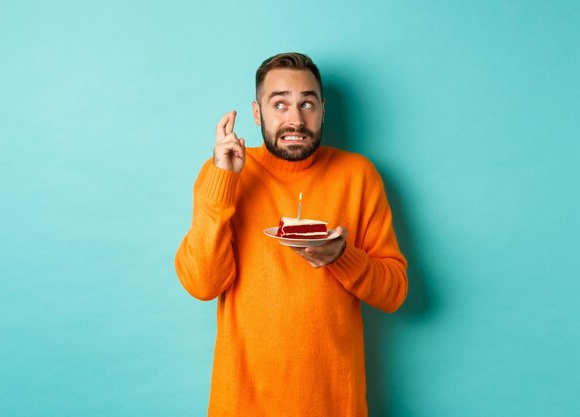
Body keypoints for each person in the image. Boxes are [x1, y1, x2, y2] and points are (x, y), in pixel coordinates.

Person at [174, 52, 408, 416]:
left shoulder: (358, 176)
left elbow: (394, 292)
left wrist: (341, 257)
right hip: (242, 403)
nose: (295, 119)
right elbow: (203, 284)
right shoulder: (225, 173)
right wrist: (224, 180)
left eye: (307, 104)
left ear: (323, 110)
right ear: (257, 113)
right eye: (280, 104)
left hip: (334, 404)